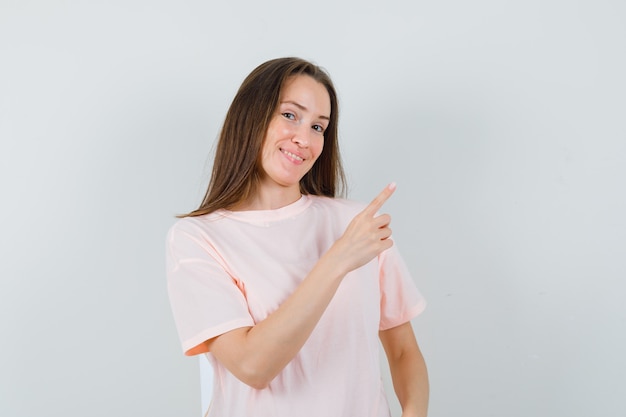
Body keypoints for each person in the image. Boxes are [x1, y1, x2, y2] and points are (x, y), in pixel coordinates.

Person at [166, 57, 429, 417]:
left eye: (319, 127)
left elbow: (403, 351)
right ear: (251, 117)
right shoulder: (197, 239)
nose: (304, 139)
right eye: (290, 115)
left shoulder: (358, 224)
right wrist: (338, 259)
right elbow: (253, 367)